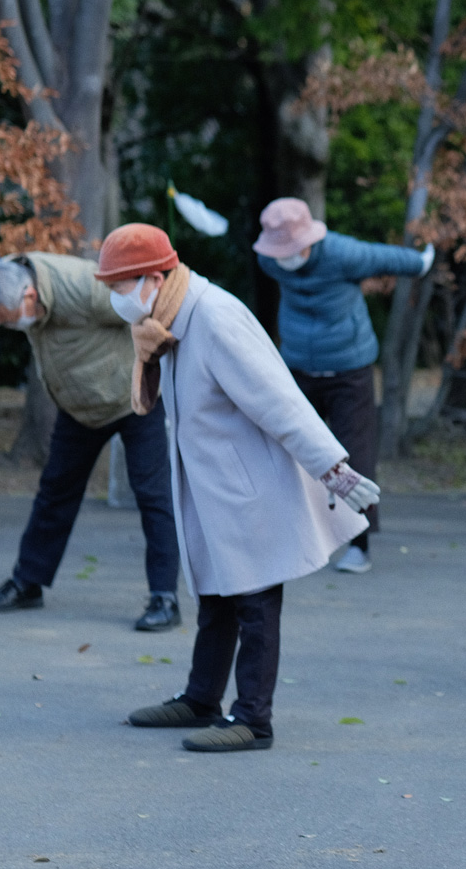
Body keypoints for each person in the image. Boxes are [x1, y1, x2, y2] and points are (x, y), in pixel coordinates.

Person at [98, 224, 378, 753]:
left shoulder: (214, 317)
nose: (115, 297)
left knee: (254, 598)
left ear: (156, 277)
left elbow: (281, 400)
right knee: (215, 595)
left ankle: (253, 718)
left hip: (248, 488)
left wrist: (333, 468)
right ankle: (202, 697)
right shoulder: (168, 316)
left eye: (121, 284)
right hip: (213, 488)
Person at [0, 256, 181, 630]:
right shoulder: (22, 292)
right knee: (54, 493)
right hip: (79, 407)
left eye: (5, 317)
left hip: (132, 399)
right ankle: (28, 583)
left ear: (30, 295)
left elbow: (150, 308)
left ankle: (164, 597)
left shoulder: (83, 286)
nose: (5, 326)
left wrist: (153, 360)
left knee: (153, 495)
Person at [254, 197, 433, 574]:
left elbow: (385, 258)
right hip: (298, 367)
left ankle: (360, 543)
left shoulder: (341, 253)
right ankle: (290, 535)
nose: (284, 257)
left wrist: (421, 261)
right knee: (289, 449)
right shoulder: (268, 259)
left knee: (355, 452)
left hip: (349, 368)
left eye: (291, 248)